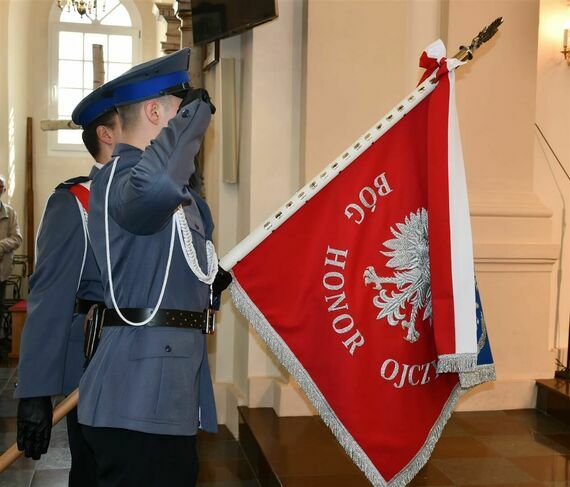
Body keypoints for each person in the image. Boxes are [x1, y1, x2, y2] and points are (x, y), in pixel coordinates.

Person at [77, 48, 228, 487]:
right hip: (137, 396)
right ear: (155, 111)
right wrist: (196, 115)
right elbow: (158, 183)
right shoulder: (123, 179)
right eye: (179, 111)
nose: (187, 122)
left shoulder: (174, 193)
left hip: (165, 392)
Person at [15, 105, 121, 487]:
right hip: (97, 366)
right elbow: (50, 301)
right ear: (106, 135)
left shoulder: (162, 202)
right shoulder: (77, 203)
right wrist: (36, 392)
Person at [0, 176, 22, 310]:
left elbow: (17, 238)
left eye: (1, 187)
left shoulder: (10, 212)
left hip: (2, 271)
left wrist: (1, 246)